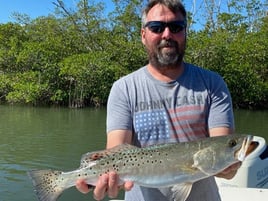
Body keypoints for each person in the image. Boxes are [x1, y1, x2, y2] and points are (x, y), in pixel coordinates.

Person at [76, 0, 241, 200]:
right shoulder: (124, 89)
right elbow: (116, 148)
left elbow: (222, 148)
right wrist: (108, 179)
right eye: (156, 27)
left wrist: (229, 167)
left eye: (176, 27)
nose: (167, 35)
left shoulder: (213, 84)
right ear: (143, 35)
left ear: (185, 32)